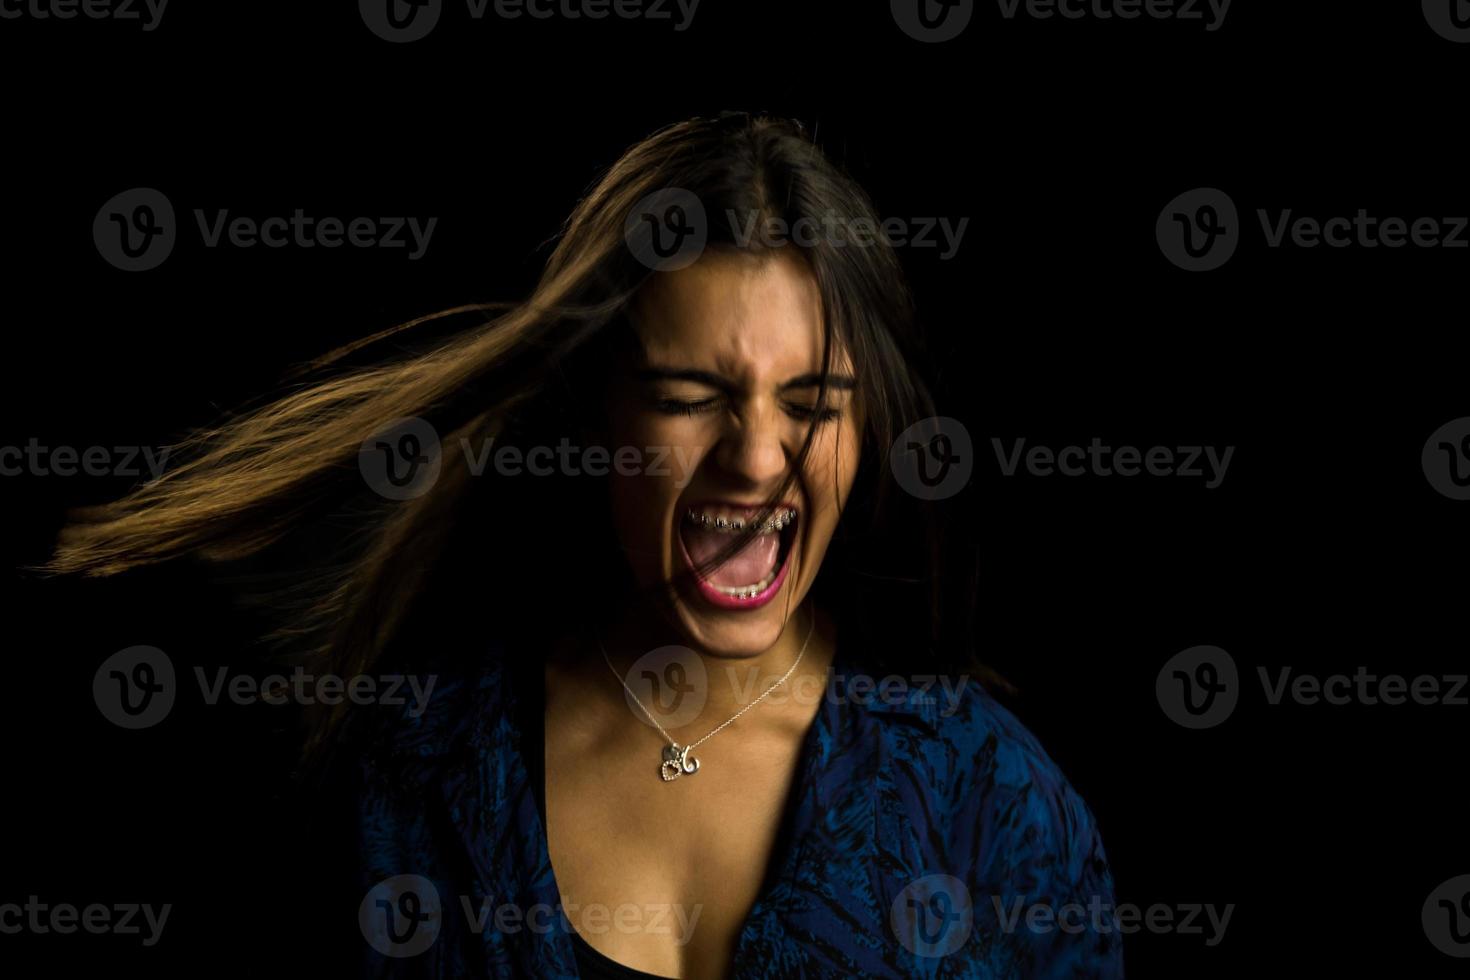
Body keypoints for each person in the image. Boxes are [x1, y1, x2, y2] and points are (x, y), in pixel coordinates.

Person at [46, 112, 1123, 978]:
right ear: (593, 414)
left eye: (814, 402)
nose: (756, 457)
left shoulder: (991, 799)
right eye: (688, 395)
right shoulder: (415, 773)